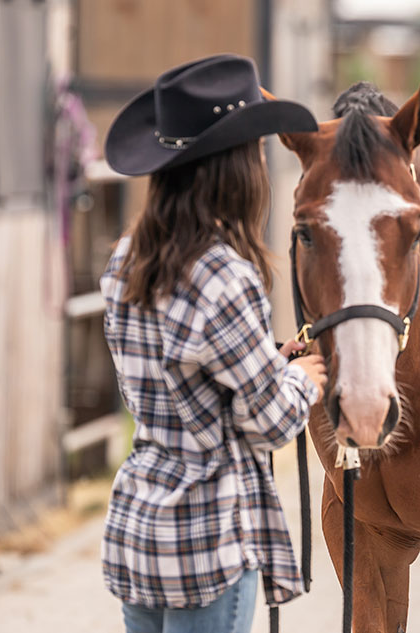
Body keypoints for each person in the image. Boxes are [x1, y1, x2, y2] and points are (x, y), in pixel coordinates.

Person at [98, 54, 327, 633]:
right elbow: (271, 422)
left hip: (141, 527)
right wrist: (302, 381)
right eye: (255, 152)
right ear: (234, 169)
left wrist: (264, 363)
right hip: (207, 539)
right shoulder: (225, 277)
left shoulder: (125, 261)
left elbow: (177, 382)